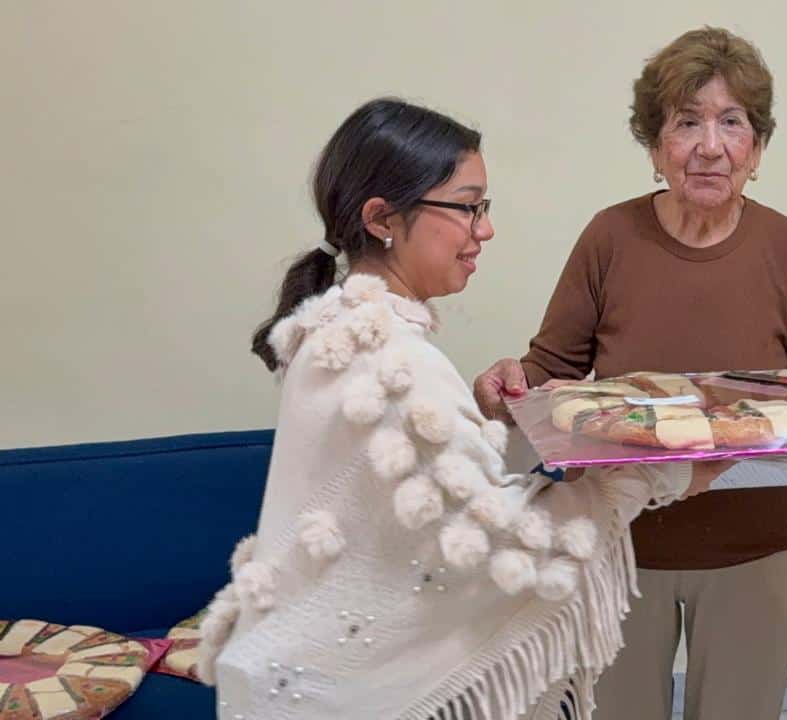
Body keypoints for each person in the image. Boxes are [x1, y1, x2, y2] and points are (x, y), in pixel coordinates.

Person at [200, 97, 724, 720]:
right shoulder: (393, 361)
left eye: (485, 207)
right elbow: (497, 551)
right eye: (468, 206)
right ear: (382, 218)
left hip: (299, 681)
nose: (485, 229)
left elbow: (427, 505)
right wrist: (660, 470)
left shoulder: (341, 327)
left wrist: (528, 426)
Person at [474, 28, 787, 720]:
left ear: (757, 147)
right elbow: (553, 372)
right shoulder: (610, 236)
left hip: (762, 549)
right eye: (686, 123)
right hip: (620, 542)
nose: (710, 145)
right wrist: (507, 383)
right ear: (655, 145)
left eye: (732, 122)